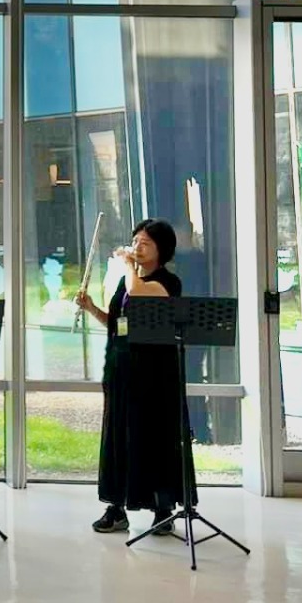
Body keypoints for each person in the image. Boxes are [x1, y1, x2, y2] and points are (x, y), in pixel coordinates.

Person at [77, 218, 185, 535]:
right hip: (121, 367)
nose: (137, 247)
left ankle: (161, 508)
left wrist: (126, 264)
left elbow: (140, 294)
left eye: (145, 243)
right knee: (118, 435)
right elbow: (117, 322)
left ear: (161, 249)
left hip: (153, 373)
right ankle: (116, 507)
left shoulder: (167, 282)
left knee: (152, 436)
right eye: (135, 241)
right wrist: (91, 307)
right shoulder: (128, 281)